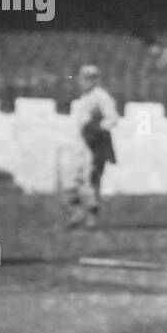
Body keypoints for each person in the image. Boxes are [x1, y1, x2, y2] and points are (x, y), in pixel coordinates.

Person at [64, 64, 118, 229]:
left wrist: (97, 129)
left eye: (89, 78)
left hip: (94, 145)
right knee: (71, 180)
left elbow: (112, 118)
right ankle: (77, 213)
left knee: (90, 180)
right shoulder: (83, 97)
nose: (84, 81)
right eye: (82, 78)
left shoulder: (101, 96)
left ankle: (91, 218)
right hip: (80, 144)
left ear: (95, 80)